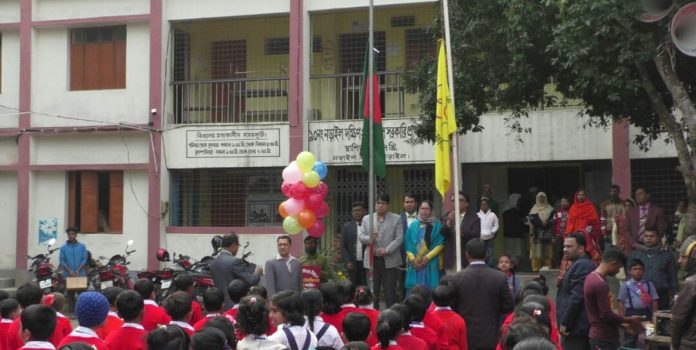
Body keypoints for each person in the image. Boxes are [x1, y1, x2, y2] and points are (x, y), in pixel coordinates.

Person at [451, 238, 513, 350]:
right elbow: (508, 306)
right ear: (486, 254)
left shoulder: (457, 278)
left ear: (467, 255)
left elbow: (452, 308)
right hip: (490, 336)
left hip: (465, 337)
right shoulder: (499, 277)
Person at [584, 249, 644, 350]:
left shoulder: (590, 277)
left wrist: (624, 325)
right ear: (614, 263)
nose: (618, 271)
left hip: (599, 335)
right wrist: (630, 320)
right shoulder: (600, 283)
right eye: (619, 267)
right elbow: (606, 315)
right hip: (604, 338)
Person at [359, 193, 404, 308]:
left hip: (390, 261)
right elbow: (361, 237)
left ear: (388, 205)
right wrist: (371, 238)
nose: (380, 206)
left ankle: (391, 318)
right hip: (372, 261)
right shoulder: (367, 218)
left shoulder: (396, 218)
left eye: (383, 203)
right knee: (373, 292)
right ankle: (374, 317)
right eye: (378, 203)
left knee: (390, 292)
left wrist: (387, 250)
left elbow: (399, 238)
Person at [555, 232, 594, 350]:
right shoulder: (576, 264)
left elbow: (577, 297)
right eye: (564, 246)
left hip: (576, 328)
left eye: (569, 246)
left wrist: (566, 323)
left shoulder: (583, 265)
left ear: (581, 248)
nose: (565, 249)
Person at [627, 228, 678, 310]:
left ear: (658, 238)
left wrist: (675, 294)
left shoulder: (667, 256)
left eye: (652, 236)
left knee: (661, 320)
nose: (648, 238)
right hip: (639, 294)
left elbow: (673, 277)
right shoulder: (635, 255)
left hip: (661, 296)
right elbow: (629, 276)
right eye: (646, 236)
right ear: (642, 237)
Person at [210, 232, 263, 310]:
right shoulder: (235, 262)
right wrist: (257, 272)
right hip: (234, 306)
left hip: (220, 306)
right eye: (238, 245)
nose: (238, 248)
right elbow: (251, 280)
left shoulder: (213, 263)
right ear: (233, 245)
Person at [6, 283, 66, 349]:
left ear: (19, 305)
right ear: (42, 300)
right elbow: (60, 345)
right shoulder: (53, 321)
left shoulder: (14, 325)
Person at [405, 200, 445, 292]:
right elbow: (408, 243)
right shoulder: (413, 225)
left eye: (427, 209)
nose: (424, 211)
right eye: (422, 208)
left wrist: (427, 257)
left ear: (431, 211)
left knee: (430, 289)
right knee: (414, 291)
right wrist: (413, 259)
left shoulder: (437, 225)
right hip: (415, 264)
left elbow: (441, 243)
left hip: (430, 263)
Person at [617, 258, 658, 349]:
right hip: (631, 315)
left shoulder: (648, 284)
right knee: (630, 339)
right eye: (634, 269)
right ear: (629, 272)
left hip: (646, 314)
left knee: (647, 339)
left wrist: (654, 316)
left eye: (640, 269)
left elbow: (654, 300)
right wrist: (622, 319)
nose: (637, 271)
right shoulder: (625, 286)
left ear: (643, 271)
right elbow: (621, 302)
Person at [621, 187, 668, 252]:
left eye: (640, 194)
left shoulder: (657, 211)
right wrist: (634, 244)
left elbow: (661, 230)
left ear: (648, 195)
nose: (637, 196)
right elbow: (625, 230)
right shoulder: (630, 212)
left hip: (653, 248)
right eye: (636, 195)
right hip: (634, 248)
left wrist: (651, 242)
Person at [441, 192, 481, 270]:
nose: (456, 203)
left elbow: (476, 236)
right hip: (450, 261)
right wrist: (449, 223)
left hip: (466, 260)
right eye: (453, 200)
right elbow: (442, 233)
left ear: (467, 204)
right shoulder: (445, 217)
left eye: (460, 200)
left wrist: (462, 232)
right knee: (451, 281)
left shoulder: (474, 218)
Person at [672, 235, 696, 349]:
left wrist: (674, 345)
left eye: (683, 257)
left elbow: (677, 319)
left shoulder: (691, 284)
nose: (679, 260)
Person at [430, 284, 467, 350]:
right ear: (451, 301)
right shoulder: (459, 320)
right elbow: (463, 345)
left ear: (433, 301)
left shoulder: (430, 318)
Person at [342, 201, 368, 288]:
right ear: (351, 213)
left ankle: (366, 302)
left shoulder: (369, 225)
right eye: (354, 211)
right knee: (353, 287)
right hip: (352, 263)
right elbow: (344, 246)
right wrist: (347, 261)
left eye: (359, 210)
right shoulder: (347, 227)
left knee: (365, 286)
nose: (357, 212)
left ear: (364, 211)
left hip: (366, 262)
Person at [528, 192, 555, 272]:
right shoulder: (534, 209)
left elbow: (553, 219)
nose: (542, 199)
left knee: (547, 251)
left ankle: (547, 267)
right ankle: (536, 269)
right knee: (536, 251)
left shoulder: (550, 209)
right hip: (537, 234)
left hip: (548, 233)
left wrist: (547, 222)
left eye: (543, 197)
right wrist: (541, 222)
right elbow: (532, 220)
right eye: (540, 197)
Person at [502, 194, 526, 265]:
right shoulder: (507, 210)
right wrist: (521, 220)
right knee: (509, 251)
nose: (519, 202)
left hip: (516, 234)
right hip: (510, 234)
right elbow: (514, 220)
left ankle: (514, 265)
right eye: (518, 201)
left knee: (516, 252)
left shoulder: (515, 209)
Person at [477, 198, 499, 266]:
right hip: (481, 237)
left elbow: (496, 225)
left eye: (485, 205)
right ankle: (482, 266)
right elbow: (476, 226)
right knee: (481, 253)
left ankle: (489, 267)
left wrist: (492, 232)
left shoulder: (493, 215)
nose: (484, 206)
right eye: (482, 205)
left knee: (489, 253)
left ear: (488, 205)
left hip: (490, 237)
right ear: (480, 206)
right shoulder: (477, 215)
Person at [552, 196, 570, 267]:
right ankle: (557, 266)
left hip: (568, 236)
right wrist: (553, 236)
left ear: (568, 203)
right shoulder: (557, 213)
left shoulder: (571, 213)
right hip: (558, 236)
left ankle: (566, 265)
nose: (563, 203)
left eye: (565, 201)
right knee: (558, 251)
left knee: (567, 251)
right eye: (562, 201)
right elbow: (553, 225)